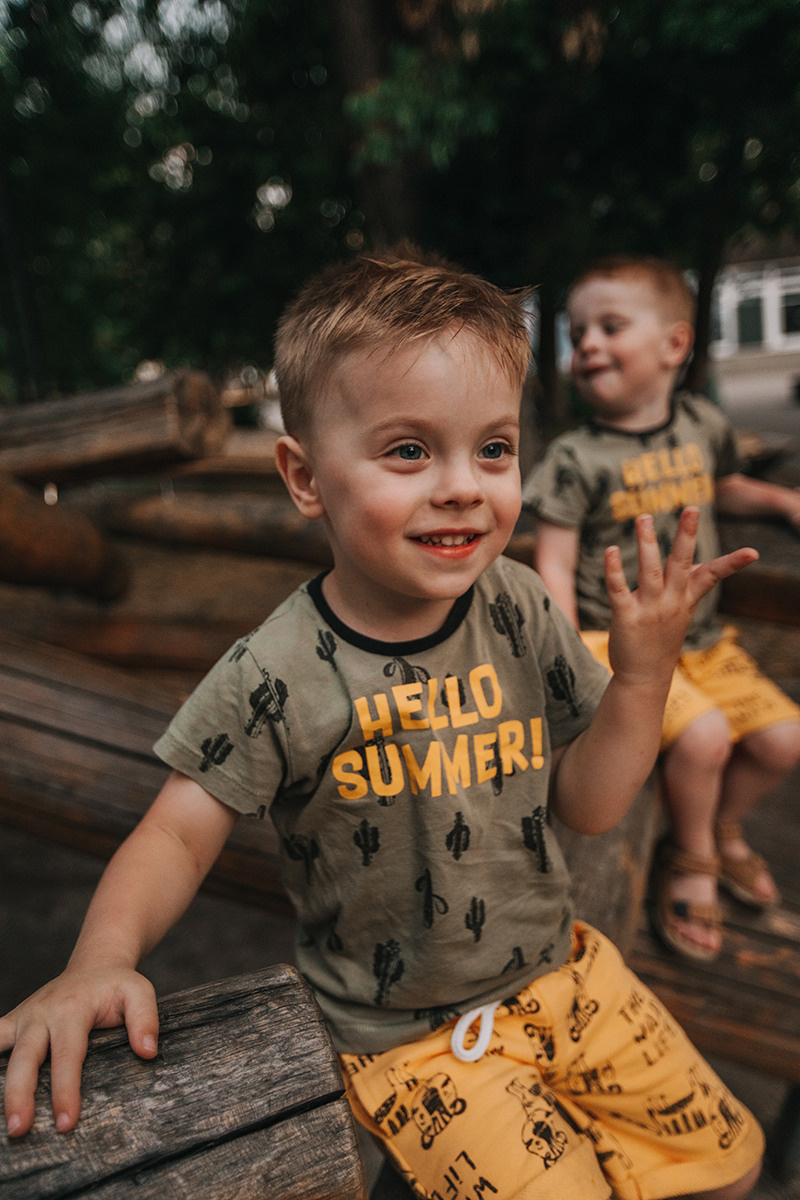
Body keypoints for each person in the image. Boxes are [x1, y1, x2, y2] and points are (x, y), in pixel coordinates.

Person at [1, 247, 766, 1200]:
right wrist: (99, 962)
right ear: (305, 475)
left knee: (731, 1166)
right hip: (417, 1043)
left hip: (569, 976)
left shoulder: (519, 605)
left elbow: (592, 806)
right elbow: (175, 831)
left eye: (493, 448)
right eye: (410, 450)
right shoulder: (275, 671)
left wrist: (644, 678)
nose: (462, 485)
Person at [523, 254, 800, 966]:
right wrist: (569, 649)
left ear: (673, 345)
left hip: (702, 639)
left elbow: (723, 484)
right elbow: (552, 558)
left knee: (784, 741)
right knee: (705, 737)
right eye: (578, 330)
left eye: (609, 326)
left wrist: (778, 502)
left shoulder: (701, 425)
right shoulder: (574, 458)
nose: (585, 344)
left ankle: (717, 827)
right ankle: (697, 858)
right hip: (612, 644)